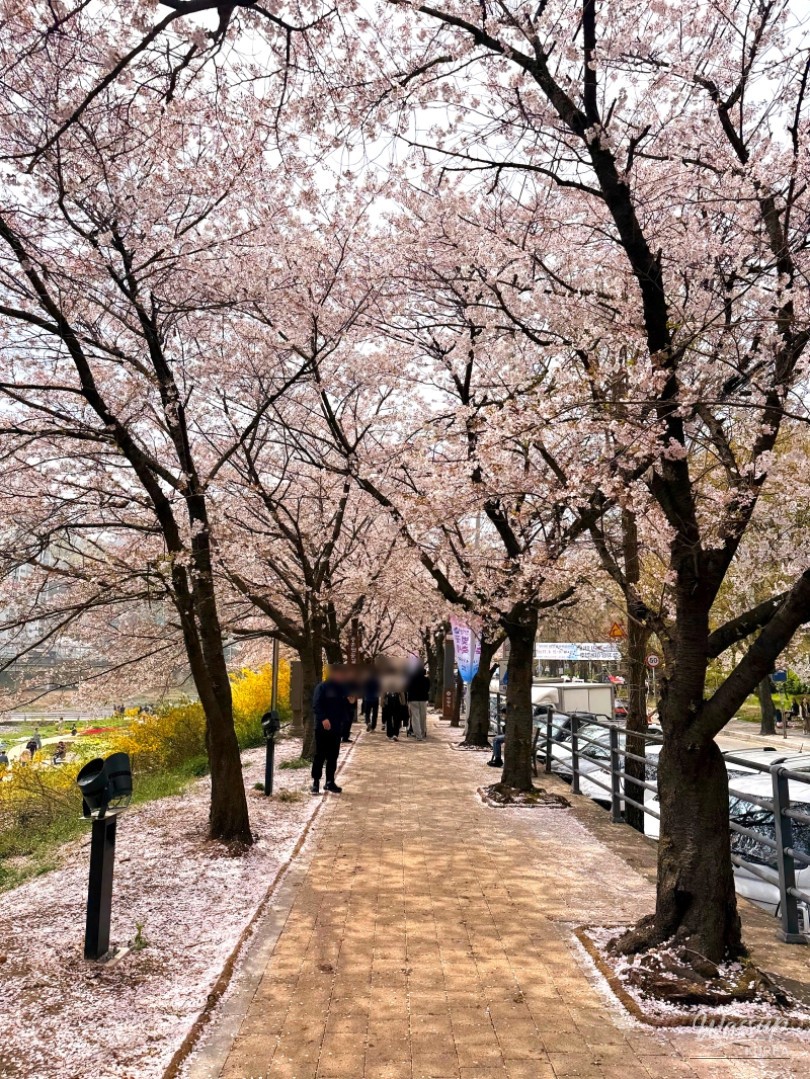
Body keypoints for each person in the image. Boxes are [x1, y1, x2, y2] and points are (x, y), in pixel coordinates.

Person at [311, 665, 349, 795]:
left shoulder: (341, 688)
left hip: (336, 728)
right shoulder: (322, 687)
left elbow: (345, 704)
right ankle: (316, 782)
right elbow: (316, 704)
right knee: (320, 755)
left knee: (333, 756)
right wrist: (323, 718)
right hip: (323, 728)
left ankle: (330, 782)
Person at [406, 663, 431, 741]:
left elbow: (407, 688)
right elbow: (428, 689)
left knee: (415, 717)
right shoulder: (426, 680)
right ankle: (423, 733)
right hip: (423, 699)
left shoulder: (410, 679)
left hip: (413, 700)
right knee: (423, 717)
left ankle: (418, 735)